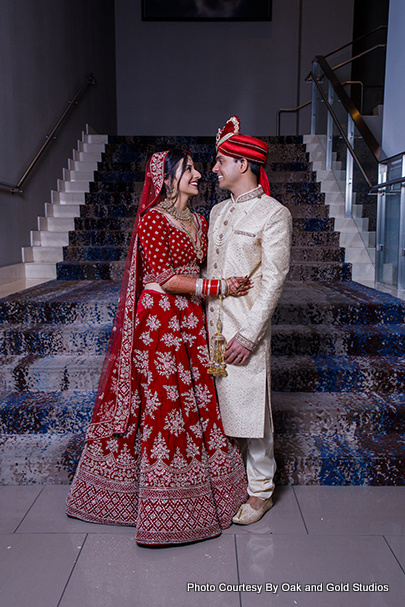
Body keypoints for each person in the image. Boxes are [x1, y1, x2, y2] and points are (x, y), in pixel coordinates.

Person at [66, 149, 250, 545]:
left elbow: (201, 267)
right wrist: (218, 287)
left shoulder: (200, 221)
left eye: (197, 168)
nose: (199, 174)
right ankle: (163, 508)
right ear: (167, 180)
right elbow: (165, 277)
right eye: (189, 170)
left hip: (190, 320)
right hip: (161, 319)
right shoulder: (152, 220)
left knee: (199, 399)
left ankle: (206, 496)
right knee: (165, 405)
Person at [206, 116, 292, 525]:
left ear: (243, 164)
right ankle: (227, 483)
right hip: (210, 330)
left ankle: (260, 491)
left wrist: (251, 334)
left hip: (243, 332)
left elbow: (274, 279)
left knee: (252, 411)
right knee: (222, 412)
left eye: (220, 160)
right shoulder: (218, 211)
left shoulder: (273, 214)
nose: (214, 168)